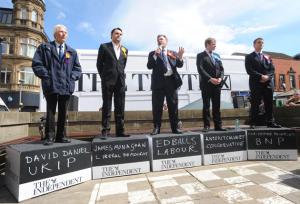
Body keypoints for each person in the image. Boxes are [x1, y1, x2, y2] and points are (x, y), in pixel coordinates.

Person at [32, 24, 82, 145]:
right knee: (50, 112)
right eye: (61, 32)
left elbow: (77, 68)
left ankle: (60, 136)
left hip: (65, 86)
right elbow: (37, 64)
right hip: (51, 85)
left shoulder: (72, 51)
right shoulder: (45, 48)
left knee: (63, 112)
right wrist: (47, 76)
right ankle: (50, 137)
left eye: (65, 32)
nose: (64, 34)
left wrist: (72, 78)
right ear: (55, 34)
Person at [147, 34, 184, 135]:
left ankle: (175, 128)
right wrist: (155, 55)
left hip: (171, 82)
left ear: (166, 41)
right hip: (158, 83)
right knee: (157, 107)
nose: (160, 41)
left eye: (161, 39)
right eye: (158, 39)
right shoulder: (152, 53)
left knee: (173, 106)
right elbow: (149, 66)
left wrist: (180, 57)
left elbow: (179, 65)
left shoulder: (173, 53)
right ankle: (156, 128)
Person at [96, 28, 129, 137]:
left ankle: (120, 131)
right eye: (116, 33)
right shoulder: (104, 47)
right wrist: (104, 77)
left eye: (120, 34)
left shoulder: (125, 50)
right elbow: (99, 64)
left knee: (120, 106)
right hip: (108, 81)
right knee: (107, 106)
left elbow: (123, 65)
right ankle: (105, 130)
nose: (118, 35)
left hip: (120, 81)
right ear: (111, 35)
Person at [245, 37, 281, 128]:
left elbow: (272, 69)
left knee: (269, 103)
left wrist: (268, 77)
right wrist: (261, 76)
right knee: (255, 103)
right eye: (259, 42)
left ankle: (270, 122)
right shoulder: (249, 57)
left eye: (262, 43)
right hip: (256, 83)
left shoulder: (267, 56)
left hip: (268, 83)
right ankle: (253, 123)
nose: (261, 44)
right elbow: (249, 70)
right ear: (254, 45)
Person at [196, 37, 226, 132]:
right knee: (206, 106)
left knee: (216, 106)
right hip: (206, 84)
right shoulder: (201, 55)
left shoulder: (217, 55)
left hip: (217, 84)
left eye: (215, 43)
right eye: (213, 43)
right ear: (207, 44)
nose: (215, 45)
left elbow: (221, 69)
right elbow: (200, 69)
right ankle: (207, 126)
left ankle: (218, 125)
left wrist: (220, 78)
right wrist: (210, 79)